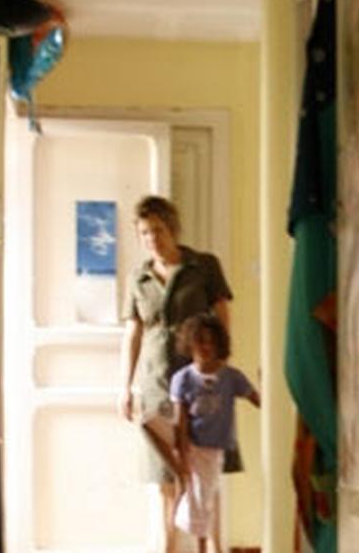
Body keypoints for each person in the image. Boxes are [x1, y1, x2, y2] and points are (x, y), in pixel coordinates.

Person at [118, 195, 234, 553]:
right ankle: (169, 547)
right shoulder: (138, 278)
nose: (152, 238)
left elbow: (222, 316)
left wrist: (220, 367)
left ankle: (214, 547)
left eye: (158, 230)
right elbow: (133, 333)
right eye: (144, 232)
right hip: (155, 382)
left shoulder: (203, 267)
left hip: (199, 381)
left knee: (205, 470)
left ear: (172, 229)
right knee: (165, 475)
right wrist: (125, 387)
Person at [170, 314, 261, 553]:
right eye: (200, 341)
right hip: (193, 446)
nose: (206, 347)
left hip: (216, 447)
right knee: (195, 498)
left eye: (211, 341)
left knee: (205, 499)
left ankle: (205, 545)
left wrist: (265, 382)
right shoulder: (182, 379)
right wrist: (181, 453)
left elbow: (259, 400)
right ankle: (196, 546)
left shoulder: (231, 377)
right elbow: (180, 421)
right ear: (190, 343)